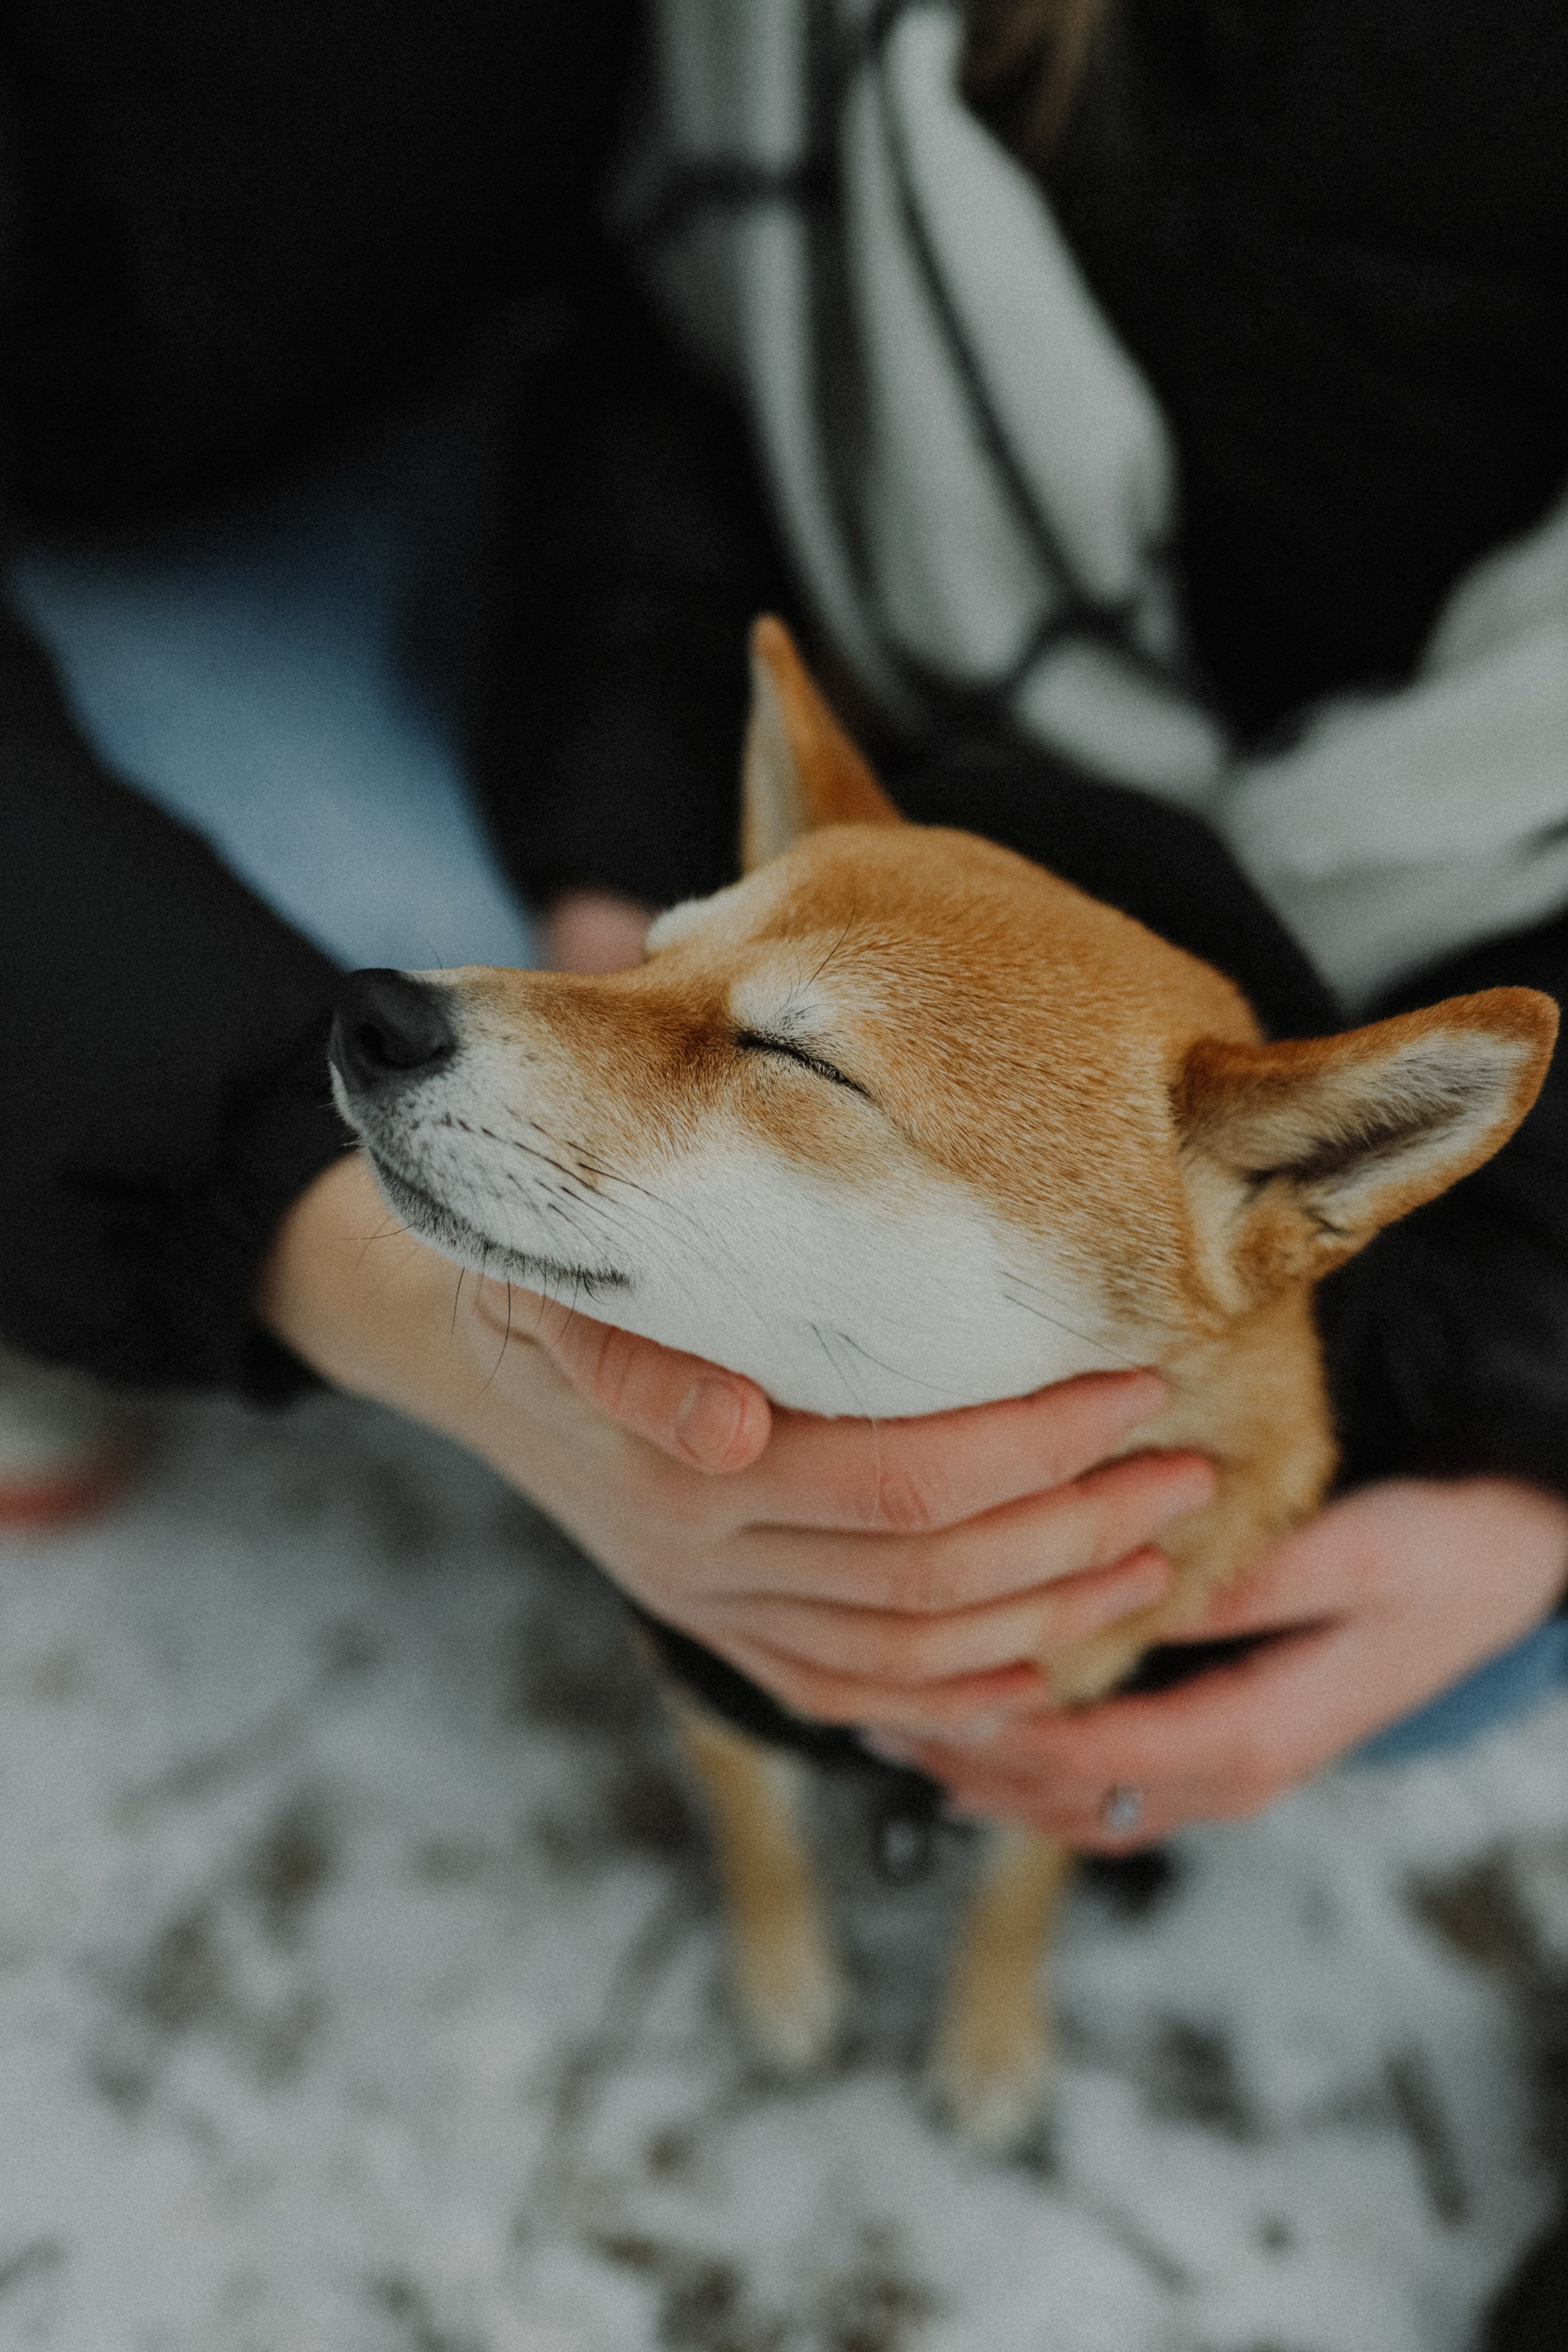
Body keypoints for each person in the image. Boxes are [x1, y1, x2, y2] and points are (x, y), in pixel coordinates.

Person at [0, 6, 1564, 2336]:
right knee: (338, 987)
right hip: (689, 677)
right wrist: (491, 1079)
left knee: (1389, 1654)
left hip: (1277, 1042)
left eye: (781, 1069)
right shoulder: (778, 122)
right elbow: (660, 399)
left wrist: (1543, 1430)